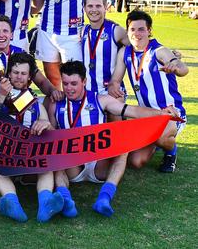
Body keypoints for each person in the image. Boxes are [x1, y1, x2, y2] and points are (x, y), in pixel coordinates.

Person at [49, 61, 179, 218]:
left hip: (98, 163)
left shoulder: (100, 100)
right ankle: (66, 200)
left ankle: (104, 198)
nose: (69, 88)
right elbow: (51, 136)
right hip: (72, 166)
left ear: (84, 82)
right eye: (66, 84)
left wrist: (160, 113)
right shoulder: (56, 105)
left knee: (122, 149)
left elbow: (133, 111)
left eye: (74, 84)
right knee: (53, 155)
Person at [0, 52, 64, 223]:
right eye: (16, 72)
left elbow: (48, 128)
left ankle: (45, 202)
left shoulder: (35, 104)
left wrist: (45, 125)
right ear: (8, 73)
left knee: (47, 163)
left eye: (23, 74)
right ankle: (11, 203)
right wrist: (1, 95)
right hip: (5, 158)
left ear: (29, 78)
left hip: (28, 160)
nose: (19, 77)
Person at [108, 10, 188, 172]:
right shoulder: (125, 52)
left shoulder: (159, 51)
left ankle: (171, 151)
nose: (136, 34)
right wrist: (114, 86)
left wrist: (176, 66)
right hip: (147, 116)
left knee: (161, 136)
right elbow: (115, 79)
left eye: (141, 29)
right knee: (136, 161)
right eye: (132, 29)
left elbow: (183, 69)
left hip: (171, 114)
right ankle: (158, 142)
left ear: (149, 31)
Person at [81, 0, 129, 101]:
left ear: (105, 7)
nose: (94, 10)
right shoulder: (82, 31)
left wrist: (167, 53)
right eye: (90, 6)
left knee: (115, 112)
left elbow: (139, 45)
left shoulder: (115, 30)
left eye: (98, 6)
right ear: (84, 8)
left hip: (111, 89)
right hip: (87, 90)